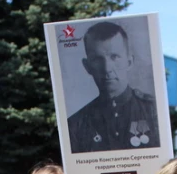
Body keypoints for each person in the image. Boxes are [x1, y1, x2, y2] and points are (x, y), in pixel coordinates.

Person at [67, 21, 160, 154]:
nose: (107, 69)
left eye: (114, 57)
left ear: (129, 62)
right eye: (98, 59)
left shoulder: (153, 110)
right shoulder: (76, 124)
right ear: (87, 66)